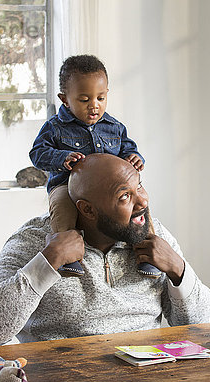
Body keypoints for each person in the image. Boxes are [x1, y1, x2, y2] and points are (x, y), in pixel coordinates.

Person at [0, 154, 210, 348]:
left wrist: (178, 269)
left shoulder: (153, 233)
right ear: (87, 210)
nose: (143, 202)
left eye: (139, 187)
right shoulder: (34, 239)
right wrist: (47, 262)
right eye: (125, 196)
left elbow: (197, 326)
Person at [29, 54, 144, 277]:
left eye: (100, 98)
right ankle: (67, 255)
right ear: (65, 99)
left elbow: (128, 149)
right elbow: (37, 154)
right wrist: (61, 158)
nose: (94, 105)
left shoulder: (114, 127)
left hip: (111, 191)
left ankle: (146, 249)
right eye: (84, 100)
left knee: (141, 203)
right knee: (62, 208)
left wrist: (134, 157)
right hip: (67, 187)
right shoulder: (55, 127)